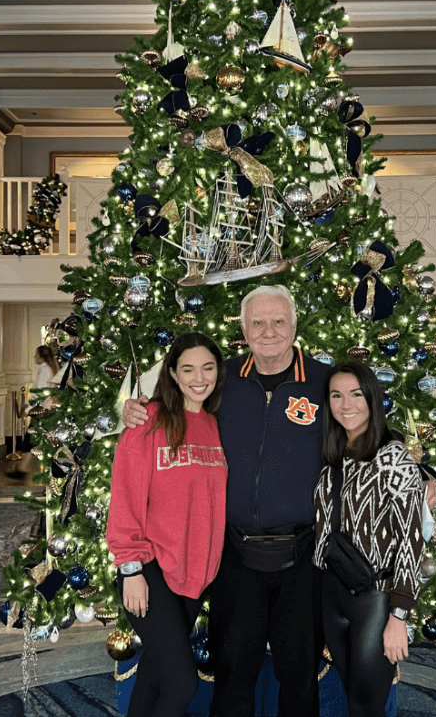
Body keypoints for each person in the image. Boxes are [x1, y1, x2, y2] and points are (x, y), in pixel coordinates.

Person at [124, 285, 331, 717]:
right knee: (233, 673)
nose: (269, 330)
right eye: (258, 322)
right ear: (243, 328)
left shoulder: (325, 381)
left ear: (295, 324)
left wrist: (422, 471)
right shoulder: (222, 379)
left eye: (279, 320)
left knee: (299, 676)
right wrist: (133, 409)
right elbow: (170, 400)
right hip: (234, 555)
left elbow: (366, 423)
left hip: (302, 554)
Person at [107, 332, 228, 717]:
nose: (199, 378)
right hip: (150, 569)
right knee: (182, 683)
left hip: (194, 575)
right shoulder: (148, 421)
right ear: (173, 374)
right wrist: (131, 568)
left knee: (155, 676)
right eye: (188, 369)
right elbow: (125, 498)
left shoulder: (214, 424)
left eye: (208, 368)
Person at [313, 360, 427, 717]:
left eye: (356, 394)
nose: (346, 404)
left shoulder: (394, 459)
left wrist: (399, 616)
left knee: (367, 706)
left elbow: (411, 539)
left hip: (375, 599)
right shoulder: (330, 453)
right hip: (332, 591)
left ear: (372, 399)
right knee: (352, 695)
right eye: (336, 395)